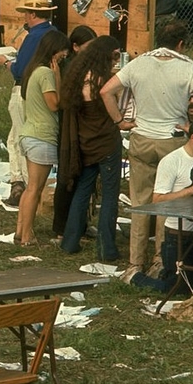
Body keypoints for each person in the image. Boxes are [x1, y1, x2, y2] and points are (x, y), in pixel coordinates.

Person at [100, 19, 193, 277]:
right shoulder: (186, 67)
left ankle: (134, 263)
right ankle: (161, 260)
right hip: (172, 140)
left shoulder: (138, 63)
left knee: (140, 202)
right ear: (181, 44)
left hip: (141, 138)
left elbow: (106, 91)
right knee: (168, 202)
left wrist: (119, 121)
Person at [126, 117, 193, 295]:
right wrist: (191, 190)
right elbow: (158, 200)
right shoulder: (172, 161)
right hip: (178, 236)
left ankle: (178, 275)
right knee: (178, 289)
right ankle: (135, 277)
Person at [59, 36, 123, 261]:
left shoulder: (77, 78)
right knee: (110, 195)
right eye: (115, 55)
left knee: (82, 191)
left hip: (85, 142)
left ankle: (70, 240)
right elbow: (117, 107)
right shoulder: (105, 81)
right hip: (106, 141)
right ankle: (106, 248)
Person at [0, 0, 57, 207]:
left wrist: (5, 62)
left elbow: (20, 70)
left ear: (31, 14)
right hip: (42, 91)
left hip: (25, 89)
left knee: (21, 139)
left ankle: (28, 191)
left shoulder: (33, 36)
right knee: (14, 138)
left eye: (26, 14)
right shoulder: (53, 33)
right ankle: (18, 183)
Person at [15, 30, 71, 246]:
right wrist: (58, 77)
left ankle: (21, 230)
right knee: (35, 189)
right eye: (62, 53)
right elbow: (54, 104)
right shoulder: (46, 73)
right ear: (54, 51)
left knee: (31, 187)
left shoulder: (33, 70)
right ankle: (27, 235)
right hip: (42, 136)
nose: (64, 56)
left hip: (31, 134)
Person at [52, 25, 98, 237]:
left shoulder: (85, 66)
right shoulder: (70, 67)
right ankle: (62, 226)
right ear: (76, 47)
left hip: (82, 126)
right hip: (71, 126)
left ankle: (77, 223)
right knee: (68, 174)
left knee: (80, 175)